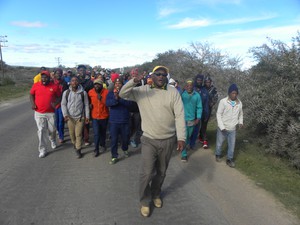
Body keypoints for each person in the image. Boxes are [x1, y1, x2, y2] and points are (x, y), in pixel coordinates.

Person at [119, 65, 186, 217]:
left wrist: (181, 137)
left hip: (168, 139)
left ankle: (156, 194)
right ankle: (144, 201)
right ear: (153, 76)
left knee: (161, 172)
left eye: (164, 74)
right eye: (158, 74)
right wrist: (134, 81)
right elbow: (123, 94)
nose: (161, 76)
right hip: (149, 139)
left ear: (167, 77)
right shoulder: (143, 91)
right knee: (147, 173)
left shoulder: (173, 92)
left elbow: (180, 115)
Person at [30, 70, 61, 158]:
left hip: (51, 113)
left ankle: (52, 139)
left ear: (49, 78)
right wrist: (33, 104)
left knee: (52, 129)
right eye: (42, 77)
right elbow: (31, 94)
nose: (44, 79)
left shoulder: (54, 86)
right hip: (39, 112)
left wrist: (56, 103)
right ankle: (42, 150)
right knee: (41, 130)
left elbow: (59, 96)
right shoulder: (36, 85)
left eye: (46, 77)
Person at [61, 76, 90, 159]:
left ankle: (78, 149)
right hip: (70, 117)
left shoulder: (83, 93)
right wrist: (65, 115)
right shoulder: (66, 93)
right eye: (72, 81)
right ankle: (75, 144)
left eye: (76, 81)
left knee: (79, 134)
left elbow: (86, 105)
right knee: (72, 134)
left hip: (80, 117)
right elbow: (63, 104)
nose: (74, 82)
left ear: (78, 82)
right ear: (70, 82)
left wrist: (87, 116)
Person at [215, 84, 243, 168]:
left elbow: (241, 114)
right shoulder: (223, 102)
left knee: (232, 145)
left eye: (235, 93)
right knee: (219, 143)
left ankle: (229, 159)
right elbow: (218, 114)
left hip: (232, 129)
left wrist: (240, 122)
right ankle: (218, 154)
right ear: (229, 93)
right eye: (232, 93)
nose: (234, 95)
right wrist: (222, 127)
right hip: (223, 128)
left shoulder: (239, 103)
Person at [106, 77, 132, 165]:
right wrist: (115, 99)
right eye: (116, 84)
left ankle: (125, 149)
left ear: (122, 85)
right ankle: (114, 156)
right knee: (114, 140)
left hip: (125, 120)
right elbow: (108, 103)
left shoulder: (127, 94)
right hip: (114, 121)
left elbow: (130, 104)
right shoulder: (110, 93)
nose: (118, 85)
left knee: (125, 138)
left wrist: (119, 99)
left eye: (119, 83)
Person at [180, 79, 202, 162]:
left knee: (189, 135)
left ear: (193, 86)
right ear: (185, 86)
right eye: (187, 85)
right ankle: (184, 154)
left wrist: (198, 118)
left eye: (191, 85)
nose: (189, 87)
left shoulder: (197, 96)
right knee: (184, 136)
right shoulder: (182, 95)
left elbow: (199, 107)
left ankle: (186, 145)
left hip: (192, 120)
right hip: (182, 119)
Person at [88, 78, 109, 157]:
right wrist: (90, 105)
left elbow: (109, 104)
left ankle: (102, 144)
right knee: (96, 134)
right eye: (95, 84)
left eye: (98, 84)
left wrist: (102, 100)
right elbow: (89, 101)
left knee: (103, 133)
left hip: (104, 116)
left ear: (101, 85)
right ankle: (96, 149)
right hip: (95, 117)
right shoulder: (90, 92)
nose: (96, 86)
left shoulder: (106, 92)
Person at [189, 74, 209, 149]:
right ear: (195, 80)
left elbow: (206, 103)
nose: (199, 82)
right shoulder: (191, 88)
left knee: (196, 130)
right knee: (189, 129)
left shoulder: (204, 90)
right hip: (190, 113)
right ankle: (187, 142)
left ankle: (192, 144)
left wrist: (206, 114)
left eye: (201, 80)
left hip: (199, 114)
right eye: (198, 80)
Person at [77, 64, 94, 146]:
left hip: (87, 103)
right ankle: (79, 137)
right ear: (78, 71)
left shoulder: (90, 81)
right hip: (77, 104)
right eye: (80, 70)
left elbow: (91, 93)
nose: (82, 72)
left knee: (86, 121)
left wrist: (91, 103)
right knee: (78, 121)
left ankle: (86, 139)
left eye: (83, 70)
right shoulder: (75, 80)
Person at [200, 76, 218, 148]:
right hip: (201, 108)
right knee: (199, 122)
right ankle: (200, 136)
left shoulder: (214, 89)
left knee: (205, 123)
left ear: (211, 82)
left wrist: (212, 103)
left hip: (208, 108)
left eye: (209, 82)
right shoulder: (202, 88)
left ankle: (204, 139)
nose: (207, 83)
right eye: (206, 82)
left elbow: (216, 97)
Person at [53, 68, 69, 143]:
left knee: (61, 121)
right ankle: (59, 131)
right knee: (56, 122)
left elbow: (66, 94)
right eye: (57, 73)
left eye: (60, 73)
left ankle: (61, 136)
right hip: (53, 104)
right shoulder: (51, 82)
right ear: (54, 74)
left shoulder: (64, 83)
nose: (58, 74)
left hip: (62, 104)